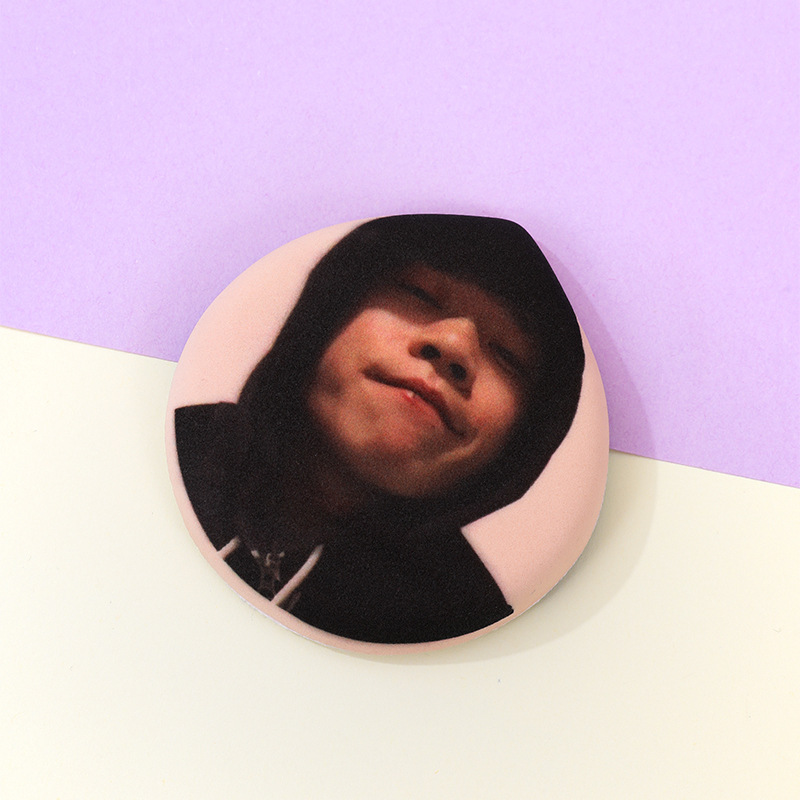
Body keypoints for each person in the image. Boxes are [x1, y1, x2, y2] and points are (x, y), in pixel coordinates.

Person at [174, 215, 585, 644]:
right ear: (328, 309)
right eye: (419, 294)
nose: (454, 345)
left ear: (522, 445)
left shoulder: (462, 631)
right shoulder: (154, 459)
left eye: (507, 355)